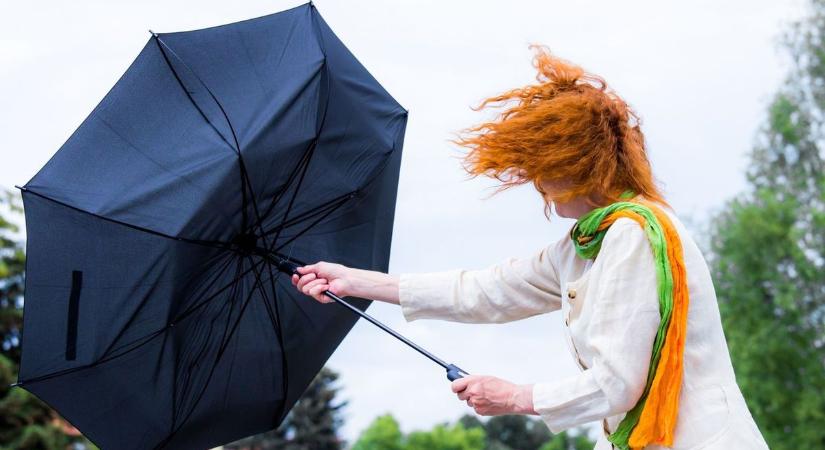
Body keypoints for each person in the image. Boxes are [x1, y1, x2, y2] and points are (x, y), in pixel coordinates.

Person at [289, 45, 769, 450]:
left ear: (577, 164)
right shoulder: (586, 244)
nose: (534, 180)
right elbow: (485, 289)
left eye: (539, 164)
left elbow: (617, 385)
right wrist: (357, 282)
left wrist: (516, 397)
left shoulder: (633, 236)